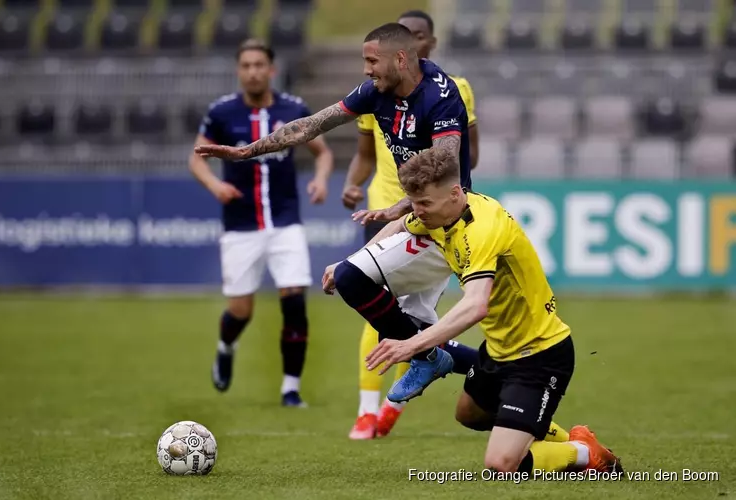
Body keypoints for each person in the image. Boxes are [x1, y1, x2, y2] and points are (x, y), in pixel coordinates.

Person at [196, 22, 479, 407]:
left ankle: (434, 359)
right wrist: (249, 152)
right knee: (389, 315)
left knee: (375, 302)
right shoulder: (375, 91)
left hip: (450, 223)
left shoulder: (441, 95)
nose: (366, 70)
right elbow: (311, 126)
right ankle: (473, 366)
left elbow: (445, 163)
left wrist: (402, 205)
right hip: (417, 220)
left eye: (371, 61)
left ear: (400, 58)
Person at [352, 149, 623, 474]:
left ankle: (584, 454)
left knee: (501, 463)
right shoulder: (440, 213)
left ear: (455, 193)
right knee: (469, 415)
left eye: (424, 203)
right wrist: (353, 265)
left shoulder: (482, 228)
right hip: (497, 351)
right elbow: (401, 225)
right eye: (414, 202)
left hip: (538, 354)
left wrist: (412, 345)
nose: (417, 211)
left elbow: (476, 305)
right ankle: (570, 438)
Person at [341, 10, 481, 440]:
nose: (414, 45)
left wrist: (430, 195)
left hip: (426, 212)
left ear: (425, 46)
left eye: (420, 37)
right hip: (383, 211)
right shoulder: (375, 92)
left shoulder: (451, 93)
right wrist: (352, 183)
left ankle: (409, 388)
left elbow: (462, 156)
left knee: (406, 315)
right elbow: (365, 149)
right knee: (377, 308)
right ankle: (369, 410)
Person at [189, 39, 334, 408]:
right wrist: (215, 184)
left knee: (295, 302)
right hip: (241, 226)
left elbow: (323, 152)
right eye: (246, 65)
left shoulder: (293, 108)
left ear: (271, 70)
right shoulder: (221, 113)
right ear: (240, 71)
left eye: (259, 65)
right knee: (241, 311)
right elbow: (197, 159)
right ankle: (226, 345)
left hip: (287, 223)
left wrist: (320, 178)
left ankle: (290, 388)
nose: (252, 71)